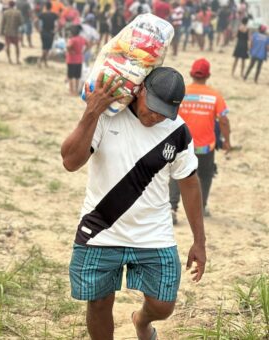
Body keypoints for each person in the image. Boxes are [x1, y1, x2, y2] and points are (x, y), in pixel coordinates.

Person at [61, 67, 206, 340]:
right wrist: (91, 111)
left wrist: (199, 241)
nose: (155, 117)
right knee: (99, 303)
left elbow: (189, 183)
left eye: (164, 112)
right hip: (101, 231)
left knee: (163, 305)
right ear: (140, 90)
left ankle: (141, 321)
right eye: (152, 108)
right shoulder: (106, 116)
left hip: (154, 233)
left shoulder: (177, 132)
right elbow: (70, 162)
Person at [170, 58, 231, 221]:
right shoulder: (215, 96)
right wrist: (226, 141)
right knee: (205, 175)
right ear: (208, 75)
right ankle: (201, 207)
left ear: (191, 73)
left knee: (177, 175)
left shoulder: (182, 93)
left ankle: (172, 208)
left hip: (182, 144)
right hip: (205, 147)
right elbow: (224, 120)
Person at [36, 1, 59, 67]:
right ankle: (40, 60)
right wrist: (56, 30)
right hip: (50, 32)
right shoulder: (54, 14)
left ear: (45, 7)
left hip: (43, 32)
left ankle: (45, 63)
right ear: (51, 7)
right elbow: (57, 23)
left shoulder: (42, 14)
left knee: (45, 47)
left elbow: (35, 21)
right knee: (47, 48)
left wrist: (38, 29)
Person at [66, 24, 86, 96]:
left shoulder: (72, 39)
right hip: (79, 59)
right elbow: (89, 44)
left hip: (71, 60)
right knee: (77, 77)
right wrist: (84, 51)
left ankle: (71, 91)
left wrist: (70, 51)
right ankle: (76, 91)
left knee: (70, 77)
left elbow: (68, 46)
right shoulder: (82, 38)